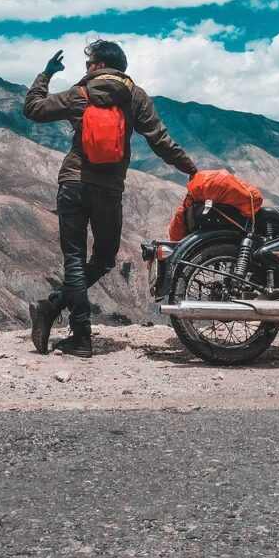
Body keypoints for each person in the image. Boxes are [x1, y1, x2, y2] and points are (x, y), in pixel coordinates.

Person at [23, 39, 197, 358]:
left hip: (73, 183)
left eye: (89, 63)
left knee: (74, 259)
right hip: (109, 189)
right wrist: (191, 169)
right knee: (103, 258)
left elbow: (32, 109)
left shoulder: (80, 94)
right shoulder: (135, 96)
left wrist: (45, 74)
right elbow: (159, 140)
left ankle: (71, 328)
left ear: (100, 65)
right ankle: (58, 316)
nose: (86, 68)